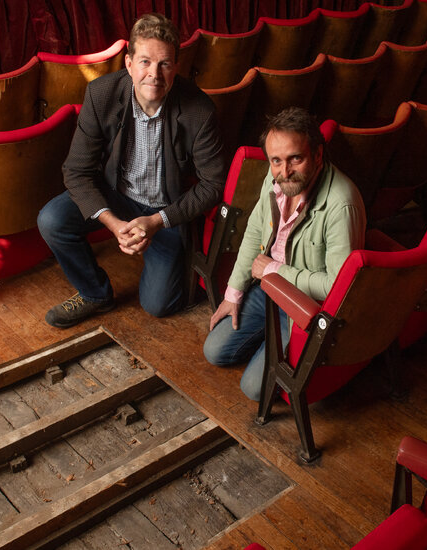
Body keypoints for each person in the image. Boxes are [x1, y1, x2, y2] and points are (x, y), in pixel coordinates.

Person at [37, 13, 226, 328]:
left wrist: (156, 221)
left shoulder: (199, 110)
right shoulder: (101, 94)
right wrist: (113, 225)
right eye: (145, 62)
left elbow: (213, 184)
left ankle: (175, 265)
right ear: (128, 63)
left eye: (164, 64)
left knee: (158, 306)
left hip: (165, 209)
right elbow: (76, 172)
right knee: (51, 220)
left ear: (176, 67)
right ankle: (95, 294)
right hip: (116, 195)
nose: (154, 74)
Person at [202, 107, 366, 400]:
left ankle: (275, 343)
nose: (284, 171)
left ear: (317, 155)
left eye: (295, 159)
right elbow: (254, 231)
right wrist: (234, 293)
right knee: (214, 351)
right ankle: (266, 340)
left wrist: (275, 271)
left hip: (302, 306)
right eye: (276, 160)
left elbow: (338, 288)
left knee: (253, 389)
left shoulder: (342, 204)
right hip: (268, 290)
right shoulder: (275, 176)